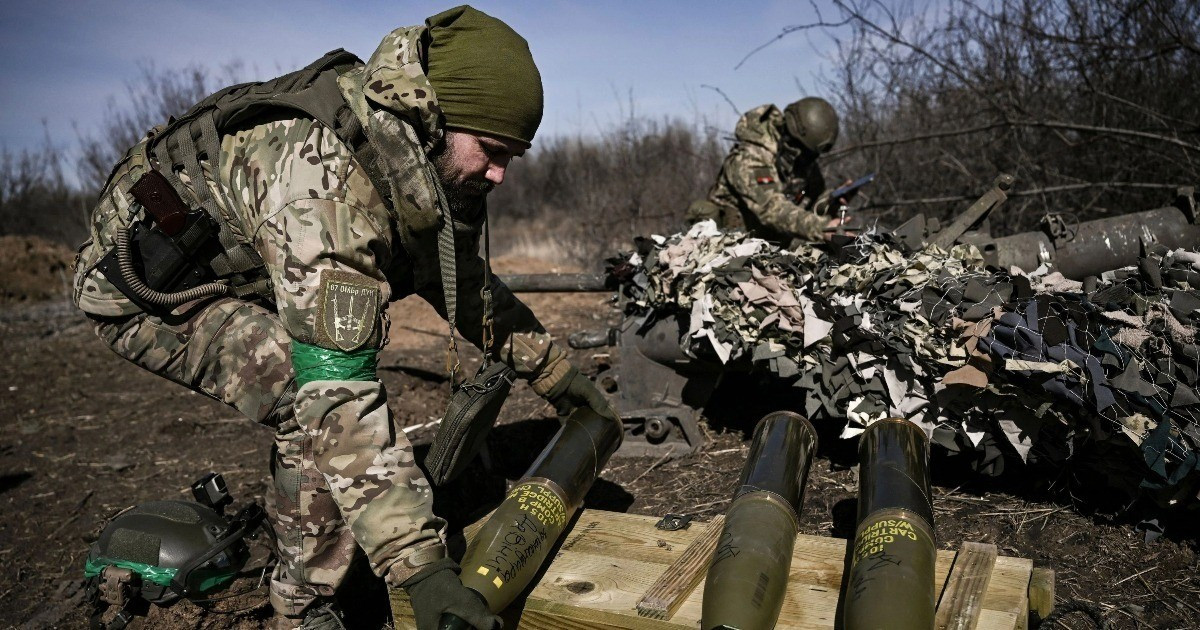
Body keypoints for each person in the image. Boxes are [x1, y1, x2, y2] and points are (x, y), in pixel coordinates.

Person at [71, 6, 615, 629]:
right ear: (432, 117)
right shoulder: (320, 191)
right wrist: (423, 571)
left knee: (323, 400)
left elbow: (461, 280)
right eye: (492, 151)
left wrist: (557, 377)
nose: (499, 174)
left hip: (244, 267)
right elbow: (338, 394)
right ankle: (304, 607)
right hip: (148, 293)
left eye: (512, 157)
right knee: (304, 404)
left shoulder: (411, 161)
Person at [687, 97, 849, 245]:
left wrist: (830, 202)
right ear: (792, 140)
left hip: (765, 248)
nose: (809, 160)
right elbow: (771, 208)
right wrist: (821, 228)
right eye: (806, 153)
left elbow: (811, 201)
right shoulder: (750, 158)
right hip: (726, 247)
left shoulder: (799, 159)